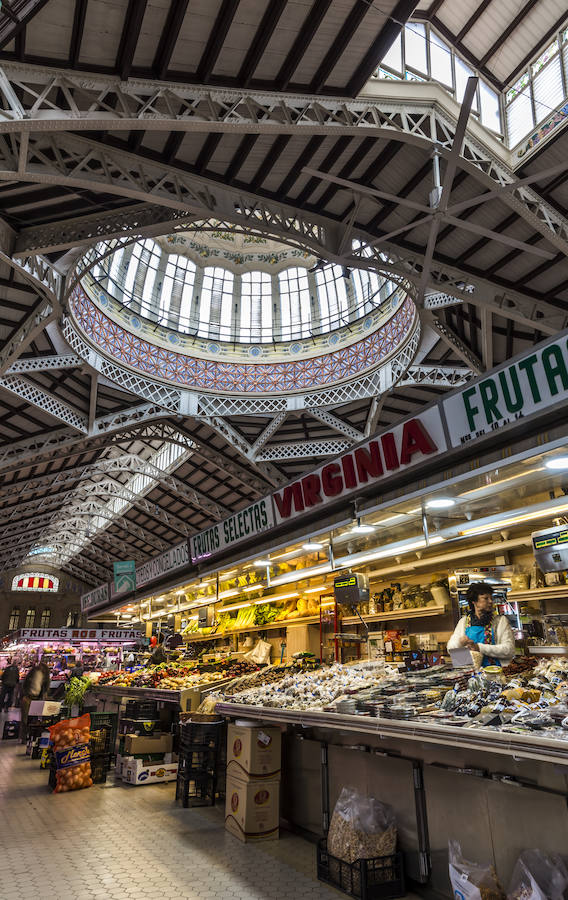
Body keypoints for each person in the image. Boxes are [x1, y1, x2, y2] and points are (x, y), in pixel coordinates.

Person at [447, 582, 515, 667]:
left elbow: (509, 650)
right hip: (472, 675)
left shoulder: (500, 621)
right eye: (485, 598)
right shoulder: (464, 622)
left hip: (496, 674)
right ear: (474, 601)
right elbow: (451, 649)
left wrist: (479, 647)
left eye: (491, 598)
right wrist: (459, 643)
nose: (490, 601)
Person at [20, 662, 51, 742]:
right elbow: (25, 683)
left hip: (36, 699)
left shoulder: (45, 677)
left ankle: (31, 736)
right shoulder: (33, 672)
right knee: (25, 718)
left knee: (34, 720)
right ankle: (23, 737)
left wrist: (44, 697)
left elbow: (45, 688)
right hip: (28, 697)